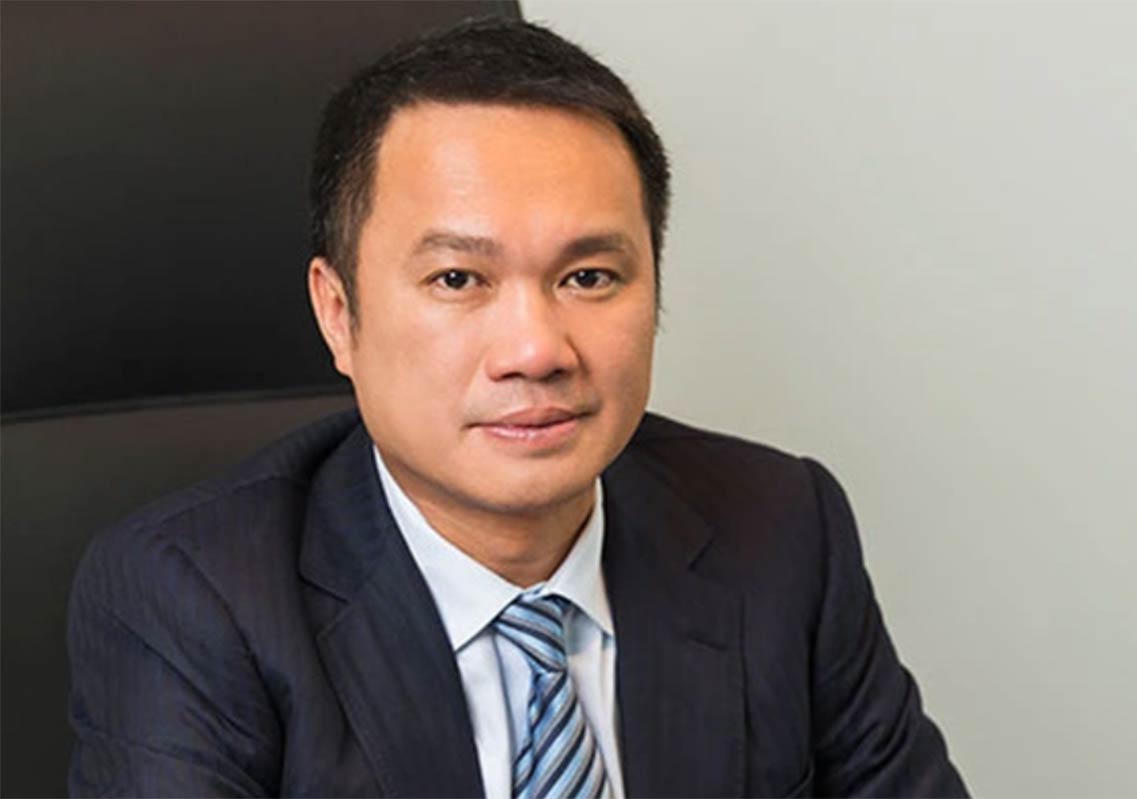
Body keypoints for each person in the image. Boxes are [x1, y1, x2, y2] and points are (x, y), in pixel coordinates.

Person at [67, 17, 968, 799]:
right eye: (459, 279)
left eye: (590, 277)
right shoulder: (193, 599)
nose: (537, 350)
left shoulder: (780, 530)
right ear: (339, 314)